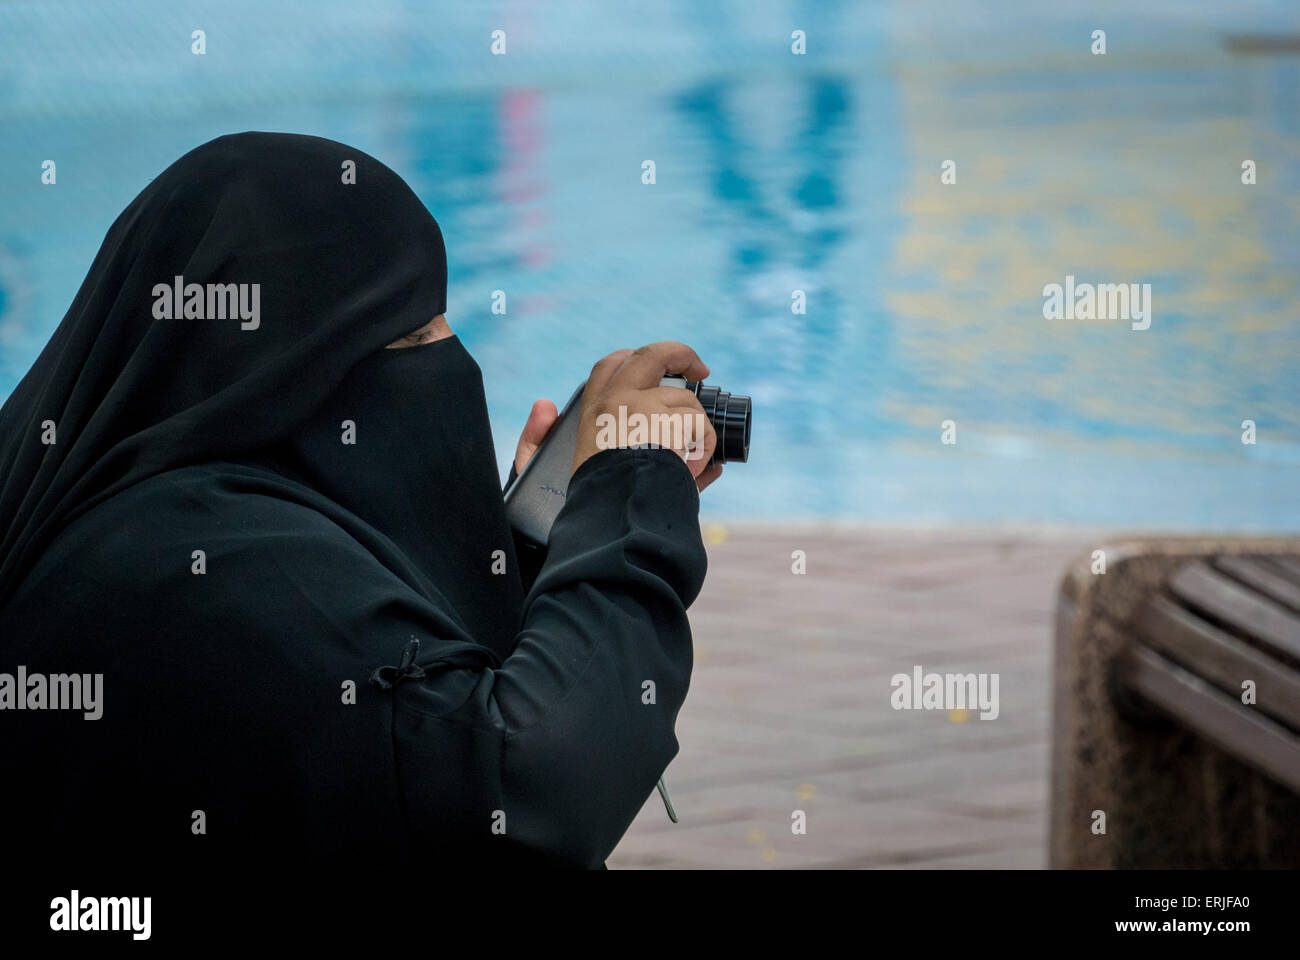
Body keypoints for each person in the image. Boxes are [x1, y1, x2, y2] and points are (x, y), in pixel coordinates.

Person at [0, 132, 720, 873]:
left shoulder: (140, 523)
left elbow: (375, 723)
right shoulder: (218, 567)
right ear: (289, 367)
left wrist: (526, 547)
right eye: (412, 333)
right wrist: (627, 501)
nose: (449, 355)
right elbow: (526, 794)